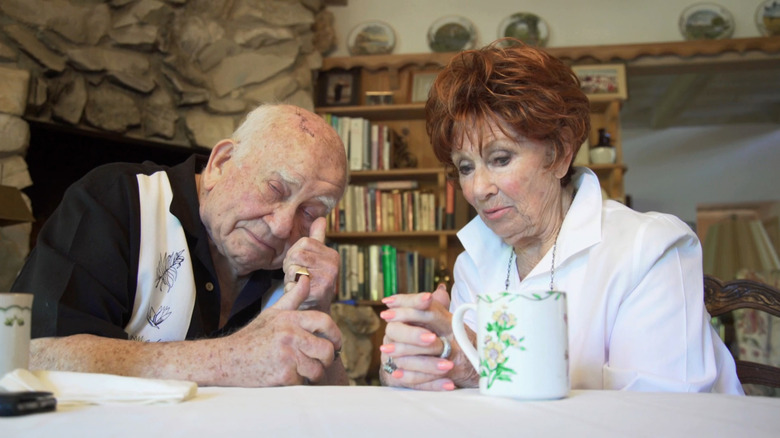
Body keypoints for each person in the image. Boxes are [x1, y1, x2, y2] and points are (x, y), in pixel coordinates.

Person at [378, 41, 743, 394]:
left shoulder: (649, 249)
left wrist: (478, 366)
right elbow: (459, 391)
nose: (477, 188)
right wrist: (408, 359)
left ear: (559, 152)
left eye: (500, 159)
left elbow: (659, 413)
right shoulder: (473, 261)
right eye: (466, 167)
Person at [12, 103, 349, 387]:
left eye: (310, 211)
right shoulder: (117, 199)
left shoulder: (294, 265)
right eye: (274, 189)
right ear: (220, 164)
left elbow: (328, 409)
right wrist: (228, 359)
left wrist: (316, 311)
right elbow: (32, 356)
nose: (281, 226)